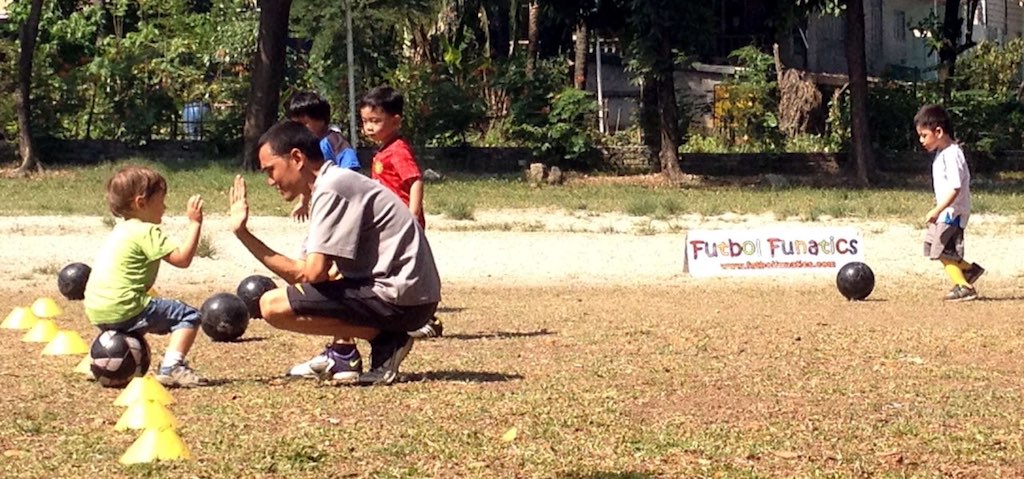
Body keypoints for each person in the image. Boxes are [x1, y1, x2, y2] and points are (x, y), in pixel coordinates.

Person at [230, 120, 441, 385]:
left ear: (296, 158)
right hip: (407, 295)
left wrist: (244, 235)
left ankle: (385, 339)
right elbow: (314, 271)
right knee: (313, 287)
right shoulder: (329, 185)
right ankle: (347, 351)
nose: (270, 181)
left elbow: (311, 274)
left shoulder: (333, 186)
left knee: (272, 306)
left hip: (402, 298)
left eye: (271, 170)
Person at [83, 165, 207, 388]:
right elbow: (183, 259)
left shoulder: (119, 231)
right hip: (126, 305)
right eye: (161, 200)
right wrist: (195, 224)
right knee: (188, 316)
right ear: (141, 203)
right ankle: (172, 367)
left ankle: (101, 362)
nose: (165, 207)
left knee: (124, 320)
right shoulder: (146, 231)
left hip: (96, 308)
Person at [359, 85, 443, 338]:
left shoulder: (398, 150)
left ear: (395, 121)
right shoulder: (383, 150)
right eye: (365, 121)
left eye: (376, 121)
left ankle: (427, 318)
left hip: (404, 225)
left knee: (408, 271)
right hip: (388, 226)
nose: (369, 127)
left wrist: (412, 216)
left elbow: (415, 180)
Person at [915, 104, 985, 301]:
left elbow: (956, 187)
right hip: (946, 212)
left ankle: (965, 286)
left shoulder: (953, 154)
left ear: (938, 131)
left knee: (943, 250)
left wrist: (938, 210)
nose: (921, 141)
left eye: (924, 135)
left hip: (952, 213)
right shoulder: (942, 154)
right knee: (935, 247)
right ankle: (969, 270)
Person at [284, 91, 360, 221]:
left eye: (304, 124)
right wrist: (303, 202)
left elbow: (350, 165)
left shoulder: (332, 140)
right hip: (321, 199)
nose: (300, 130)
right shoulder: (305, 146)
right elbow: (307, 178)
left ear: (321, 119)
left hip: (340, 199)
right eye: (296, 126)